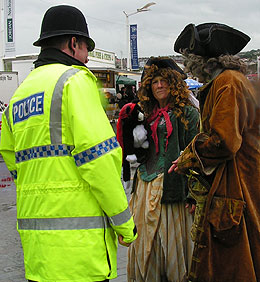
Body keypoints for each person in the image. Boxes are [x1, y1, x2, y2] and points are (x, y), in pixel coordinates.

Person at [0, 5, 137, 282]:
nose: (86, 58)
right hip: (80, 254)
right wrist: (125, 225)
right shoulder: (74, 81)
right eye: (86, 48)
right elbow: (99, 160)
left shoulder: (20, 95)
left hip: (38, 255)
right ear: (74, 44)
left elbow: (13, 160)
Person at [170, 22, 260, 281]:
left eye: (190, 60)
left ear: (205, 60)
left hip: (237, 186)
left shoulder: (228, 83)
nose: (188, 66)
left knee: (234, 264)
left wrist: (188, 157)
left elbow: (224, 141)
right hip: (238, 183)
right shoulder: (228, 81)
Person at [127, 57, 200, 282]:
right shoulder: (144, 114)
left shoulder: (188, 114)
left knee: (172, 249)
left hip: (172, 189)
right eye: (155, 81)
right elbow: (137, 151)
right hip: (145, 186)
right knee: (145, 247)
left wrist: (193, 194)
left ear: (174, 84)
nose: (159, 85)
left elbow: (195, 156)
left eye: (164, 81)